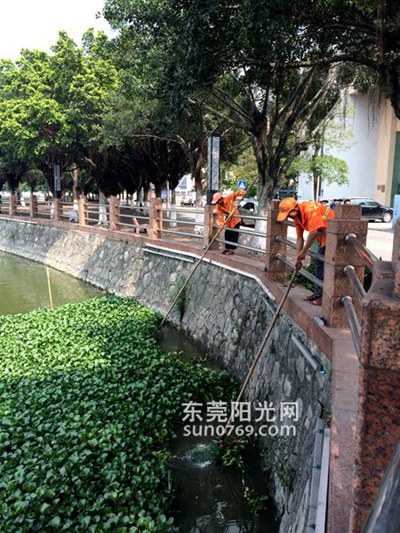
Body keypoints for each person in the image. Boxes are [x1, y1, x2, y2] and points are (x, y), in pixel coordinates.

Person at [277, 197, 335, 305]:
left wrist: (304, 252)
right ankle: (319, 292)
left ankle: (325, 298)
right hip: (324, 237)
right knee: (319, 264)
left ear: (295, 209)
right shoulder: (297, 218)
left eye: (289, 213)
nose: (288, 217)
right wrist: (298, 257)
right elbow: (299, 238)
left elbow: (313, 232)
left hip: (334, 235)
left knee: (325, 266)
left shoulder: (310, 209)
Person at [211, 190, 246, 255]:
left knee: (234, 235)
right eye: (216, 202)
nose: (217, 203)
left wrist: (242, 192)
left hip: (236, 220)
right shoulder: (218, 206)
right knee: (227, 234)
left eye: (218, 201)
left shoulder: (228, 197)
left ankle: (232, 249)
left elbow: (236, 193)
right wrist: (221, 225)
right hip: (228, 221)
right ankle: (227, 248)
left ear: (221, 198)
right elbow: (220, 216)